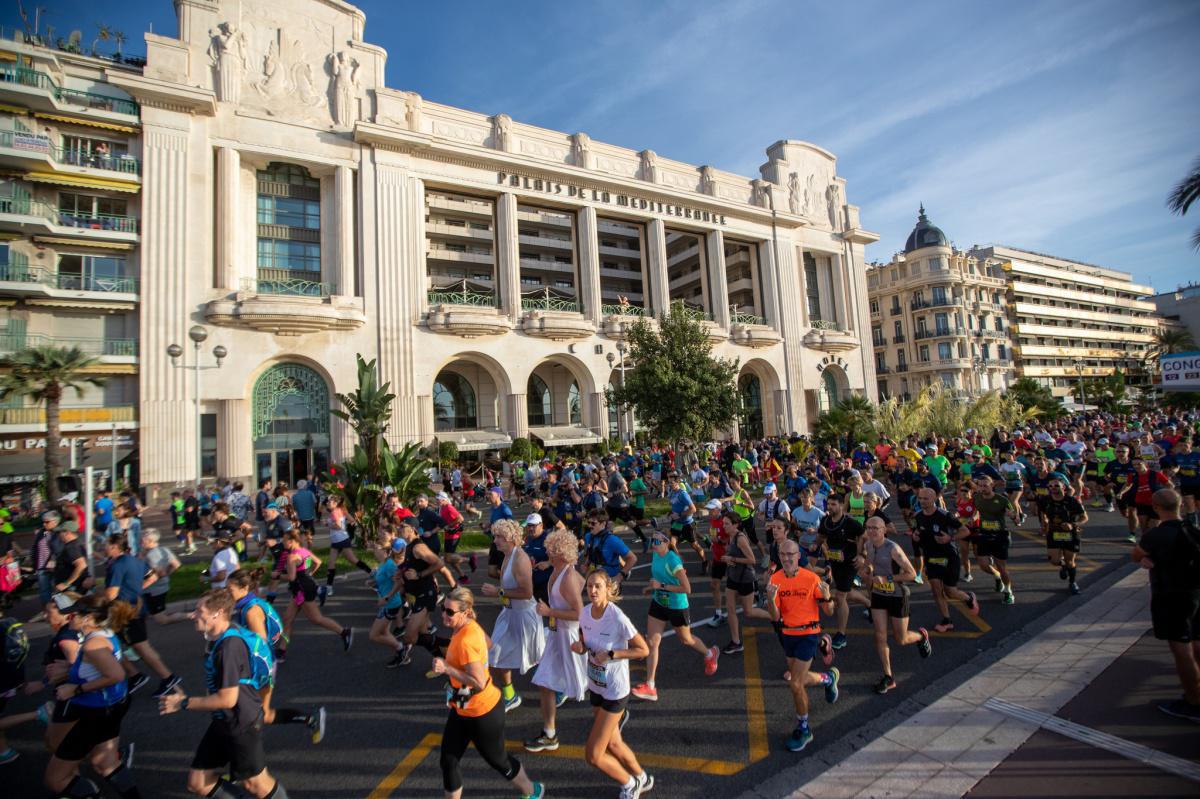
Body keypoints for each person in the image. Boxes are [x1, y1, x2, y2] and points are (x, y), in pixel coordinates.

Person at [158, 589, 291, 799]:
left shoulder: (228, 647)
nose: (193, 615)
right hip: (224, 720)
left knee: (257, 785)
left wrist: (183, 703)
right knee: (198, 782)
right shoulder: (221, 637)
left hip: (241, 723)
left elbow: (227, 699)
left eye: (198, 610)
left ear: (217, 613)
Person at [431, 587, 545, 799]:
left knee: (499, 761)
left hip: (483, 712)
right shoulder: (470, 626)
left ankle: (532, 791)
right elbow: (490, 645)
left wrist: (448, 668)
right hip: (463, 707)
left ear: (465, 612)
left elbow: (480, 683)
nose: (444, 615)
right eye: (443, 609)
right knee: (448, 760)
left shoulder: (465, 640)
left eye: (449, 612)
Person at [43, 594, 141, 799]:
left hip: (93, 713)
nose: (69, 619)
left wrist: (74, 689)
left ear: (87, 619)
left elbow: (116, 674)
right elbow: (100, 669)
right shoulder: (105, 634)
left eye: (73, 615)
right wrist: (69, 670)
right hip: (111, 707)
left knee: (56, 779)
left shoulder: (92, 645)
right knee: (105, 763)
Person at [572, 570, 653, 799]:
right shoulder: (585, 613)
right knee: (615, 744)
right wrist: (581, 647)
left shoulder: (617, 617)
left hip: (615, 691)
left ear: (608, 589)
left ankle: (629, 784)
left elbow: (643, 650)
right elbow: (585, 641)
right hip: (596, 686)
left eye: (598, 586)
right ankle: (643, 778)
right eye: (589, 587)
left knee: (594, 755)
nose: (593, 591)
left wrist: (612, 654)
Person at [227, 569, 324, 742]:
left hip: (261, 668)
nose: (227, 593)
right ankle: (309, 719)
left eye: (230, 590)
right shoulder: (247, 604)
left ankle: (247, 761)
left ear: (244, 588)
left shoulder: (251, 611)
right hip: (260, 664)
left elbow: (260, 642)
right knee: (261, 715)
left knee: (246, 713)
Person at [765, 539, 840, 752]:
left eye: (791, 554)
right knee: (800, 678)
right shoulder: (775, 579)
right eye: (783, 554)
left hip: (809, 634)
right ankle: (828, 678)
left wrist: (827, 598)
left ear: (799, 556)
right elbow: (775, 616)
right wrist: (771, 600)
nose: (787, 558)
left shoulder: (811, 578)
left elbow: (829, 611)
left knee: (795, 684)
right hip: (788, 634)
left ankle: (804, 728)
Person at [1133, 488, 1200, 722]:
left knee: (1181, 649)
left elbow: (1137, 553)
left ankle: (1193, 701)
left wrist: (1144, 558)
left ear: (1155, 507)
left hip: (1171, 595)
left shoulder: (1156, 535)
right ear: (1181, 505)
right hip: (1195, 593)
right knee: (1196, 642)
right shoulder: (1193, 529)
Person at [631, 529, 720, 702]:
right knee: (652, 642)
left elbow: (687, 589)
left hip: (676, 606)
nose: (653, 544)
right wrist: (651, 587)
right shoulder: (657, 555)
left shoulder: (673, 560)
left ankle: (710, 653)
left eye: (657, 541)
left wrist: (661, 585)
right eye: (652, 540)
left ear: (666, 543)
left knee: (686, 640)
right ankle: (650, 686)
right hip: (659, 603)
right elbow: (657, 578)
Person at [526, 529, 588, 752]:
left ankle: (614, 710)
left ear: (560, 553)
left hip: (568, 636)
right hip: (555, 635)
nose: (546, 553)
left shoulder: (567, 577)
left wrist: (549, 611)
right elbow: (584, 581)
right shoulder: (559, 571)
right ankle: (549, 734)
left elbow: (580, 614)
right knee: (545, 682)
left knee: (582, 683)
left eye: (550, 550)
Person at [857, 517, 932, 694]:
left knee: (901, 638)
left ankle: (920, 637)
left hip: (897, 596)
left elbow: (911, 574)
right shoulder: (868, 545)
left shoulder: (893, 549)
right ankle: (888, 676)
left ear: (884, 530)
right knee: (880, 635)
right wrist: (865, 571)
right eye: (869, 528)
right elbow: (869, 564)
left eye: (876, 528)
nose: (872, 531)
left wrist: (887, 578)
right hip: (878, 595)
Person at [103, 533, 182, 698]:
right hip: (133, 607)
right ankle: (134, 675)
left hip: (125, 611)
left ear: (115, 547)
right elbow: (152, 575)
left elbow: (111, 594)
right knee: (111, 644)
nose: (103, 548)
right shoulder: (135, 560)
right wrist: (138, 588)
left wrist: (93, 601)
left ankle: (168, 678)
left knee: (140, 647)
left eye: (106, 545)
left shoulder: (118, 565)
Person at [480, 519, 545, 712]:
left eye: (499, 537)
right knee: (496, 654)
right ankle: (510, 696)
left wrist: (498, 592)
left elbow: (526, 592)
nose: (495, 541)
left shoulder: (520, 558)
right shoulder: (506, 555)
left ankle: (559, 685)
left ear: (511, 538)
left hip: (525, 617)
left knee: (539, 658)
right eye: (495, 536)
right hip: (508, 614)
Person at [272, 531, 352, 662]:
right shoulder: (303, 550)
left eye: (285, 540)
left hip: (302, 590)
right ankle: (281, 650)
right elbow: (318, 562)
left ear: (292, 541)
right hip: (302, 588)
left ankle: (344, 632)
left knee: (316, 619)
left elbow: (291, 577)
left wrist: (278, 576)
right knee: (288, 619)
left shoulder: (292, 557)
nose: (283, 542)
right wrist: (308, 574)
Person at [912, 488, 981, 631]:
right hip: (931, 557)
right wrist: (916, 536)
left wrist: (950, 538)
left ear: (934, 499)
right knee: (936, 591)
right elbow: (919, 532)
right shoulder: (918, 516)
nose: (922, 501)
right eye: (920, 498)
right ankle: (946, 620)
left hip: (949, 556)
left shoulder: (945, 516)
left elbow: (965, 531)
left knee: (950, 591)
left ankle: (968, 598)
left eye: (926, 499)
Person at [817, 495, 869, 650]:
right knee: (846, 592)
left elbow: (864, 537)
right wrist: (816, 545)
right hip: (835, 562)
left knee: (840, 597)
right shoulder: (825, 521)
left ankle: (841, 635)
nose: (830, 507)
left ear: (841, 505)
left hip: (849, 563)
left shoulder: (850, 523)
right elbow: (821, 536)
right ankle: (870, 604)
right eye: (829, 504)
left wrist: (862, 555)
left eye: (833, 504)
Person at [393, 520, 447, 666]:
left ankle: (452, 644)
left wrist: (419, 575)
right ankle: (443, 660)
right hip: (417, 595)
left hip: (425, 594)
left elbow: (439, 563)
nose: (399, 528)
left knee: (410, 637)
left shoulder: (418, 547)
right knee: (424, 635)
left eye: (403, 526)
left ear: (412, 529)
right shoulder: (410, 546)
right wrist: (401, 571)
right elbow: (412, 564)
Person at [972, 476, 1019, 604]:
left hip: (1000, 536)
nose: (982, 488)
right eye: (980, 485)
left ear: (992, 485)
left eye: (985, 486)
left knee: (1002, 567)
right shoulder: (976, 498)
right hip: (984, 534)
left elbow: (1016, 519)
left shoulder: (1002, 500)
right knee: (983, 565)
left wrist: (1013, 516)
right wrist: (973, 518)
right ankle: (996, 576)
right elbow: (977, 511)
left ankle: (1008, 592)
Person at [1042, 476, 1089, 595]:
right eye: (1050, 486)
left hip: (1070, 533)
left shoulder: (1072, 501)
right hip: (1054, 532)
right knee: (1054, 561)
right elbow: (1043, 513)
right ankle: (1062, 566)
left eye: (1056, 485)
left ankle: (1072, 582)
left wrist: (1073, 524)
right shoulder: (1045, 500)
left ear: (1063, 487)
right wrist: (1045, 525)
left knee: (1070, 562)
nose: (1053, 488)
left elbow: (1085, 517)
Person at [320, 496, 372, 602]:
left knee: (352, 560)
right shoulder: (341, 510)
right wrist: (345, 524)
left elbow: (338, 526)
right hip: (337, 540)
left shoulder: (335, 512)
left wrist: (327, 524)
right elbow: (352, 521)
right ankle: (329, 587)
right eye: (328, 501)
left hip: (341, 540)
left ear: (335, 503)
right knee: (332, 563)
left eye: (330, 501)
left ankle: (372, 573)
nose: (328, 503)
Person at [139, 529, 189, 626]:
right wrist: (167, 574)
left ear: (150, 541)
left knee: (162, 620)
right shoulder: (164, 549)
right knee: (143, 613)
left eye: (143, 540)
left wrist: (161, 575)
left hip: (153, 591)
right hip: (161, 587)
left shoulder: (152, 555)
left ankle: (190, 615)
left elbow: (161, 572)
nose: (141, 542)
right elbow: (177, 565)